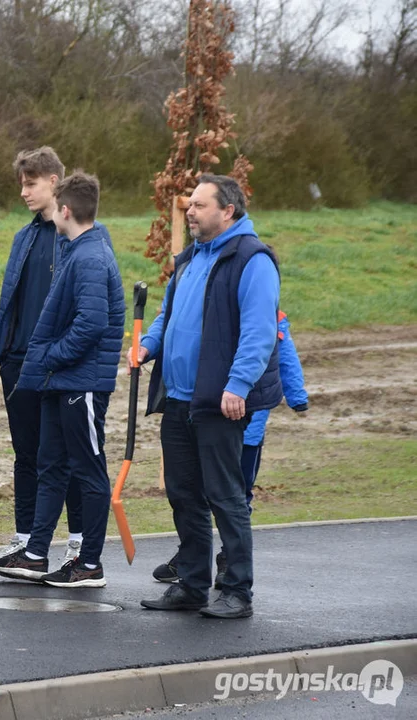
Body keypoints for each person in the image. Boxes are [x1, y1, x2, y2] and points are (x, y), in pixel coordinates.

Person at [137, 174, 281, 620]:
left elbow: (259, 334)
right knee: (183, 493)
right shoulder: (188, 258)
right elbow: (167, 315)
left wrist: (237, 385)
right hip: (179, 398)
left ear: (228, 211)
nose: (190, 212)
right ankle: (193, 584)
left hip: (221, 400)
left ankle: (237, 590)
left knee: (225, 495)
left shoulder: (252, 260)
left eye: (199, 205)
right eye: (189, 205)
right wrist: (147, 346)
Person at [0, 172, 124, 587]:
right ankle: (34, 554)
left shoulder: (91, 256)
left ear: (64, 210)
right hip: (60, 383)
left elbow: (91, 325)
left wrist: (48, 356)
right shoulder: (78, 250)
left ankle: (90, 564)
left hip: (79, 385)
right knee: (51, 465)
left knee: (88, 470)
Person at [152, 309, 307, 585]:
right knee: (194, 493)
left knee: (235, 496)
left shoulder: (267, 314)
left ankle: (228, 560)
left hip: (246, 428)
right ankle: (190, 559)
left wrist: (298, 397)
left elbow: (286, 357)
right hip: (206, 418)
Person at [0, 147, 84, 567]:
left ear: (54, 183)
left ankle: (78, 545)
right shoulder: (22, 238)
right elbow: (13, 300)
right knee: (26, 455)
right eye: (22, 183)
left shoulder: (76, 238)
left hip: (59, 366)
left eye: (31, 183)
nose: (24, 191)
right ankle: (24, 541)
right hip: (18, 364)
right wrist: (6, 354)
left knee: (67, 457)